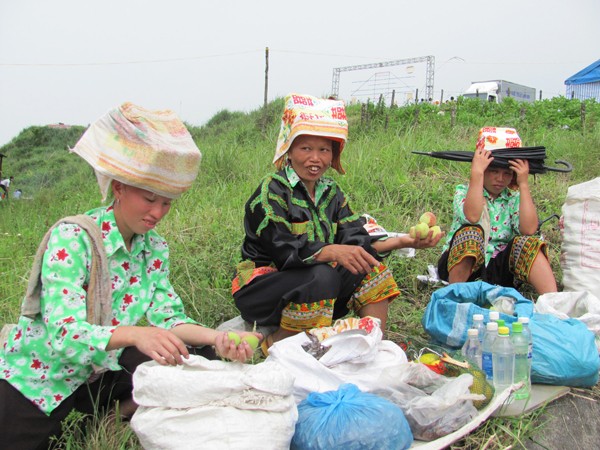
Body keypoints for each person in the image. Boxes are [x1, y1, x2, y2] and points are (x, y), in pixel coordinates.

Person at [0, 103, 260, 450]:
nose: (157, 213)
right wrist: (137, 334)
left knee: (193, 357)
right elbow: (64, 335)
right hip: (45, 377)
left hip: (98, 370)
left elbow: (169, 319)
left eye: (166, 203)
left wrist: (216, 339)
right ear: (119, 188)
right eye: (149, 199)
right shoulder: (74, 239)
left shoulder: (153, 248)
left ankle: (113, 417)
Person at [232, 93, 442, 355]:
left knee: (369, 267)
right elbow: (281, 248)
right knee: (324, 275)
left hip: (314, 283)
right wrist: (330, 251)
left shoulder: (332, 192)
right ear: (288, 149)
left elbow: (356, 239)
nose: (316, 158)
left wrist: (405, 241)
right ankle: (276, 345)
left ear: (334, 153)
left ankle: (373, 348)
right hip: (263, 289)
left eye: (324, 150)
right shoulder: (271, 191)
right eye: (306, 148)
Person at [437, 127, 558, 295]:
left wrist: (523, 184)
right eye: (493, 171)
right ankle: (453, 295)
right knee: (471, 233)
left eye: (507, 173)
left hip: (498, 269)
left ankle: (553, 301)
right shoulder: (464, 191)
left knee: (528, 243)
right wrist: (477, 173)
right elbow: (472, 217)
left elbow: (529, 230)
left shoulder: (513, 198)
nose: (500, 179)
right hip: (464, 266)